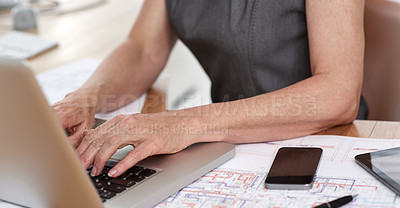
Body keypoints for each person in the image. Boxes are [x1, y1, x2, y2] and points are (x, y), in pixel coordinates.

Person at [53, 0, 367, 178]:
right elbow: (143, 48)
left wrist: (184, 123)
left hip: (323, 142)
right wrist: (87, 96)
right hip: (228, 144)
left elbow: (338, 93)